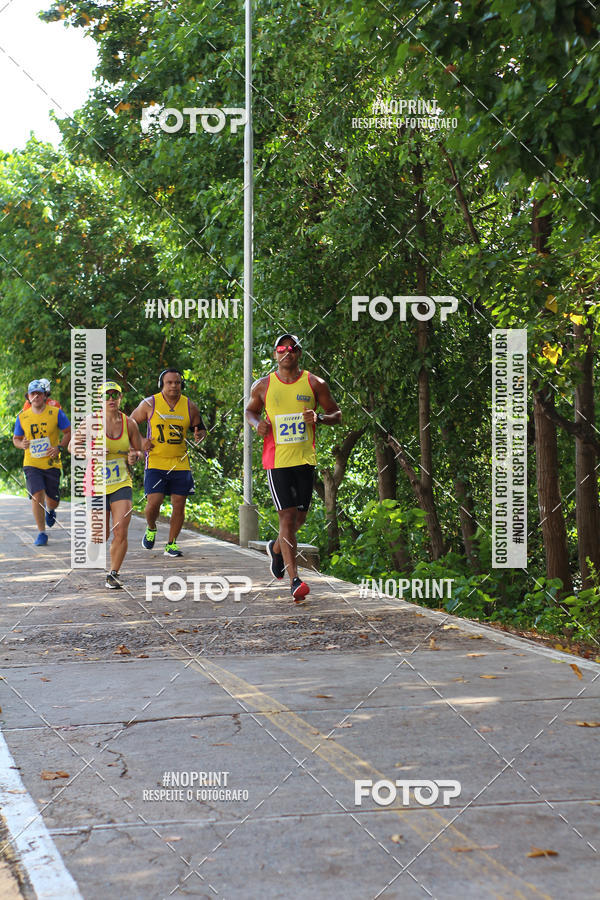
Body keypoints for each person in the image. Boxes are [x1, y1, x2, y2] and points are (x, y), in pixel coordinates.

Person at [245, 333, 341, 600]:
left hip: (304, 460)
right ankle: (295, 580)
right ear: (275, 354)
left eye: (292, 348)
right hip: (276, 461)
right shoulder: (263, 386)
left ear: (299, 353)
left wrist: (319, 417)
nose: (287, 352)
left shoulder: (315, 383)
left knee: (299, 519)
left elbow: (337, 414)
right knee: (286, 518)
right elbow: (250, 411)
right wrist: (257, 424)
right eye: (281, 348)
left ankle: (276, 549)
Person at [69, 381, 144, 589]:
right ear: (99, 399)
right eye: (106, 395)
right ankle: (94, 541)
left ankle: (113, 573)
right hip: (97, 483)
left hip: (121, 482)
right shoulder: (91, 421)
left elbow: (139, 451)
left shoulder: (129, 423)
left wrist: (134, 456)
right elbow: (72, 446)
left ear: (121, 398)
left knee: (121, 529)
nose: (111, 399)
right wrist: (91, 453)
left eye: (115, 395)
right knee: (100, 533)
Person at [130, 368, 206, 557]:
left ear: (182, 384)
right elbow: (130, 422)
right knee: (153, 502)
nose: (174, 386)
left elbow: (200, 426)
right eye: (169, 382)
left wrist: (200, 434)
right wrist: (140, 441)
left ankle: (171, 544)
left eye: (177, 382)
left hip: (180, 462)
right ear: (162, 384)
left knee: (179, 503)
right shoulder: (150, 403)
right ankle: (151, 527)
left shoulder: (189, 406)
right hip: (156, 461)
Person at [12, 379, 72, 545]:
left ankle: (51, 509)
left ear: (45, 395)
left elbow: (69, 432)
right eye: (33, 393)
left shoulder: (56, 412)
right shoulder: (22, 417)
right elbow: (16, 439)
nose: (36, 396)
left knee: (52, 500)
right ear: (28, 397)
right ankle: (41, 532)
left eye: (39, 393)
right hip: (31, 463)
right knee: (37, 495)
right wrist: (21, 444)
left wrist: (59, 447)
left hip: (52, 462)